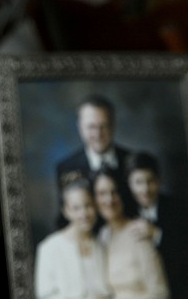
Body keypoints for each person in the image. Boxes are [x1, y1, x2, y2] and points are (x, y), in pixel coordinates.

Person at [125, 151, 188, 299]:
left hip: (180, 287)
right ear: (129, 184)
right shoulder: (126, 213)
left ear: (159, 181)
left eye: (150, 181)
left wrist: (156, 234)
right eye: (138, 182)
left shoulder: (179, 208)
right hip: (144, 289)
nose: (145, 189)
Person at [92, 167, 169, 299]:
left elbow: (160, 295)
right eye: (102, 193)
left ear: (123, 194)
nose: (109, 200)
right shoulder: (103, 235)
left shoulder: (138, 232)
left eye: (114, 192)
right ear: (94, 199)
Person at [35, 173, 113, 299]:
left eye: (88, 205)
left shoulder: (101, 244)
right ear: (66, 211)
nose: (84, 214)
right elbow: (45, 296)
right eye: (76, 208)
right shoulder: (49, 247)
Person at [55, 94, 134, 226]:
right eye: (91, 127)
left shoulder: (131, 160)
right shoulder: (66, 167)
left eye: (103, 126)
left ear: (113, 125)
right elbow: (65, 217)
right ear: (80, 127)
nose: (98, 134)